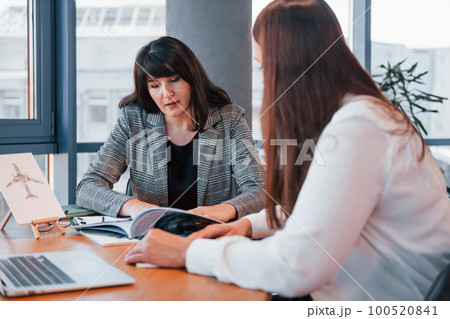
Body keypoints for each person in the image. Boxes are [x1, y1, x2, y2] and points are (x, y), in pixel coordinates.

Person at [124, 0, 450, 300]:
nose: (266, 80)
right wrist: (250, 225)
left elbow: (295, 267)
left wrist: (187, 253)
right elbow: (328, 210)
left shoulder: (359, 127)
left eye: (264, 67)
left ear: (289, 68)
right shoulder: (363, 115)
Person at [76, 36, 264, 222]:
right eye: (155, 85)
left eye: (174, 80)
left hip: (211, 240)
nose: (167, 93)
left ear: (192, 79)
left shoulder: (228, 120)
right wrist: (135, 207)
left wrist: (223, 210)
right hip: (149, 240)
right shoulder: (133, 121)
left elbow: (260, 190)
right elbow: (88, 187)